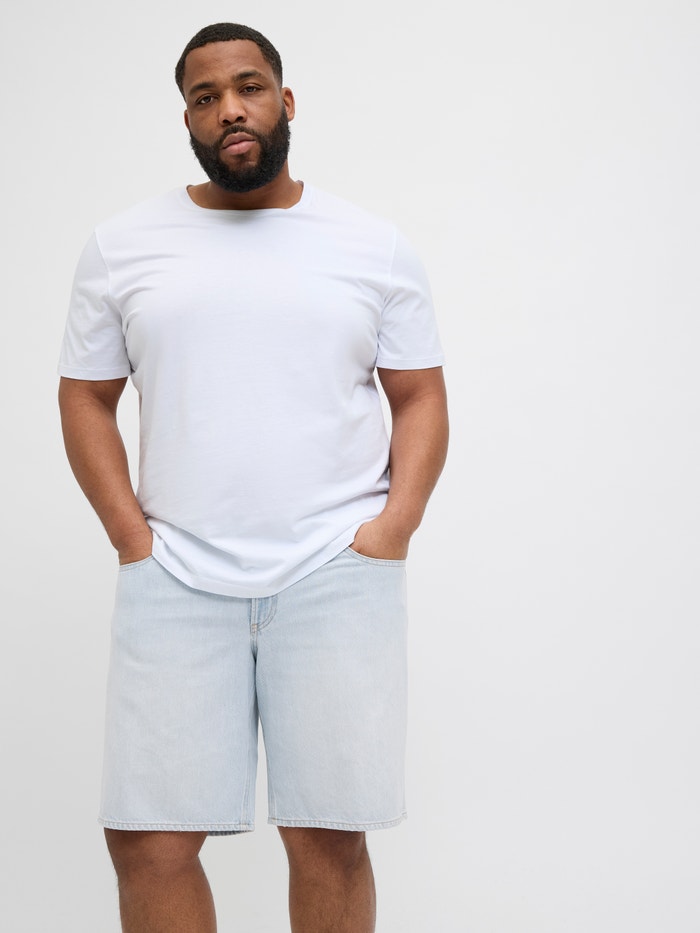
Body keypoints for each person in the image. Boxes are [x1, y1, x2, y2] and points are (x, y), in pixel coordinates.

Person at [57, 22, 448, 933]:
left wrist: (392, 528)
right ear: (188, 120)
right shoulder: (122, 246)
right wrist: (131, 538)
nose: (229, 109)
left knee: (328, 837)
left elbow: (420, 395)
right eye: (205, 97)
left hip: (335, 570)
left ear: (285, 100)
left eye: (248, 87)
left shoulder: (372, 245)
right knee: (149, 840)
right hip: (175, 571)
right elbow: (85, 397)